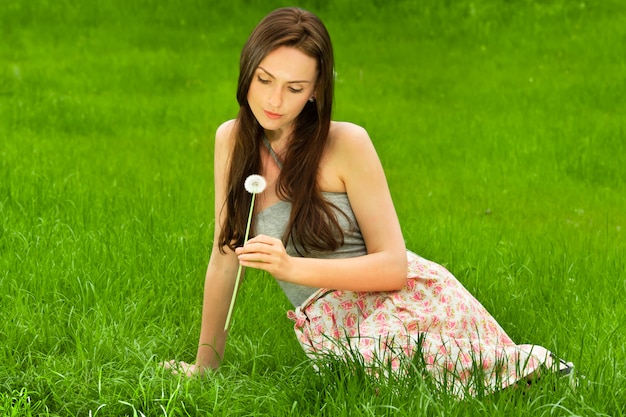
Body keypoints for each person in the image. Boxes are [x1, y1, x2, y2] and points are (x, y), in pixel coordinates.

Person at [163, 7, 573, 396]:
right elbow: (225, 257)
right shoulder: (231, 141)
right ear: (246, 70)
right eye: (264, 79)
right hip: (333, 327)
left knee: (387, 369)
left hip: (407, 303)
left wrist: (291, 267)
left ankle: (529, 375)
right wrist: (205, 367)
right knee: (357, 376)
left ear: (316, 91)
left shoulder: (346, 144)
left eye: (295, 88)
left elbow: (394, 267)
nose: (274, 101)